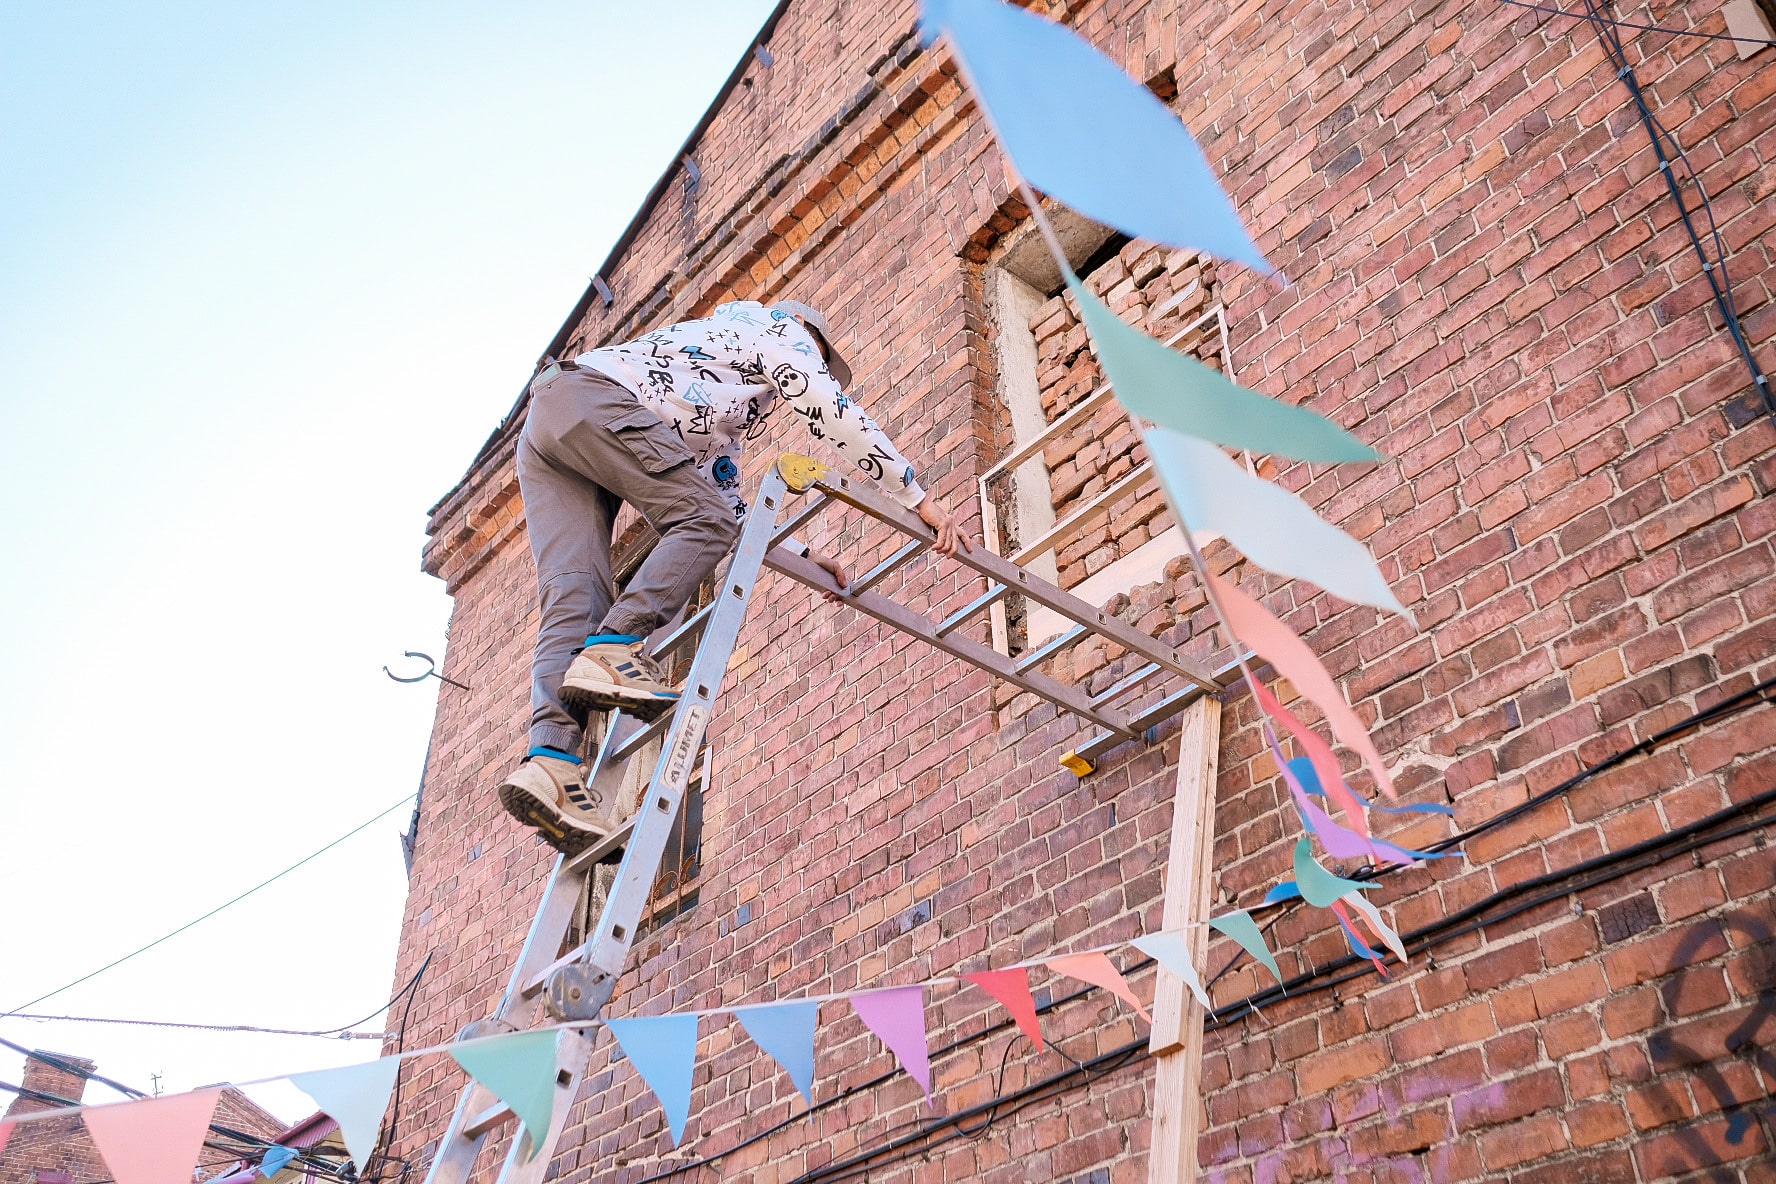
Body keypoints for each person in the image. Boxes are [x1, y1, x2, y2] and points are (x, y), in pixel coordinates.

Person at [498, 299, 969, 852]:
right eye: (815, 358)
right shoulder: (773, 328)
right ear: (804, 335)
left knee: (575, 591)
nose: (795, 380)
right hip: (596, 400)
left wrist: (801, 553)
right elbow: (827, 408)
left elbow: (731, 511)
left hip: (549, 420)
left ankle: (550, 760)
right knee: (697, 524)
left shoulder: (711, 412)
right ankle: (614, 647)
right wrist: (916, 497)